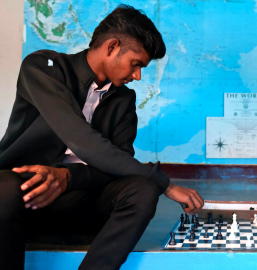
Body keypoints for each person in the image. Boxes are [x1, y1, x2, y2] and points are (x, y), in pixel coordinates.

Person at [0, 5, 204, 270]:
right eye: (136, 64)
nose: (137, 76)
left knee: (142, 189)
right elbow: (80, 139)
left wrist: (68, 178)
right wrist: (164, 182)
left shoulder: (123, 100)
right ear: (112, 47)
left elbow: (117, 166)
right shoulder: (43, 67)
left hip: (80, 202)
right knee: (3, 186)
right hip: (23, 197)